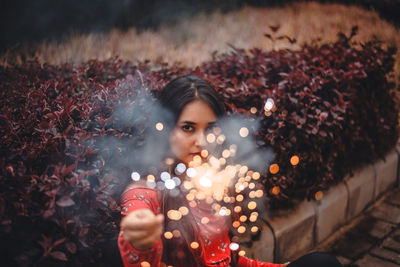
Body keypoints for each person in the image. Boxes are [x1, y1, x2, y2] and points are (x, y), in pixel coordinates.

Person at [118, 75, 342, 267]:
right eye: (188, 128)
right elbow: (140, 245)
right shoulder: (146, 192)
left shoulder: (213, 184)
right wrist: (140, 241)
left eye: (211, 129)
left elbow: (231, 261)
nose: (202, 141)